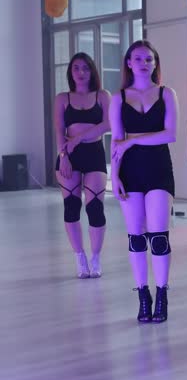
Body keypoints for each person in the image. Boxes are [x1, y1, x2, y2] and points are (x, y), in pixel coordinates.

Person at [109, 40, 177, 323]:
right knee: (136, 237)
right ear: (128, 63)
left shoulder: (166, 93)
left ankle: (162, 294)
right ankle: (143, 295)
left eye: (149, 59)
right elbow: (115, 141)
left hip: (159, 167)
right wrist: (114, 177)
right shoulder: (118, 98)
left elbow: (170, 134)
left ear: (155, 63)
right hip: (130, 171)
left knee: (158, 237)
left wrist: (132, 140)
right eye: (138, 59)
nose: (144, 63)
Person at [53, 52, 111, 278]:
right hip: (69, 155)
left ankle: (96, 257)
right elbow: (59, 129)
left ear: (92, 71)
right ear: (71, 72)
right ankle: (80, 256)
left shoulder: (102, 95)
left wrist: (78, 138)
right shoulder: (62, 98)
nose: (81, 72)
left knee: (95, 207)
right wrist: (63, 155)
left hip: (94, 153)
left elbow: (108, 124)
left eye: (85, 68)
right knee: (71, 207)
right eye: (76, 68)